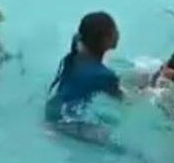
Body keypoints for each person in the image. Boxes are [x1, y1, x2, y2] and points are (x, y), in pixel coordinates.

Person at [45, 12, 123, 140]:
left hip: (53, 114)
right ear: (106, 39)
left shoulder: (71, 59)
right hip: (70, 125)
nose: (118, 33)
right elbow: (125, 101)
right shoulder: (105, 76)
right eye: (114, 30)